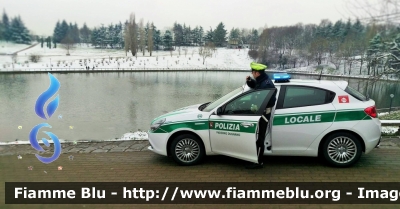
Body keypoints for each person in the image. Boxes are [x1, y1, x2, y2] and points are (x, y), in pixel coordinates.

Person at [245, 62, 277, 169]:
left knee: (260, 138)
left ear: (257, 73)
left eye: (253, 72)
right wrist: (250, 82)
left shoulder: (266, 85)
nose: (252, 74)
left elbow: (271, 100)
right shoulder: (262, 81)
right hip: (260, 113)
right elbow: (256, 86)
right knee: (258, 137)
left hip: (262, 115)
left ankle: (259, 162)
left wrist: (259, 108)